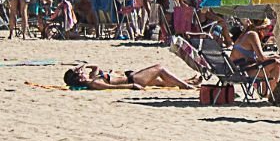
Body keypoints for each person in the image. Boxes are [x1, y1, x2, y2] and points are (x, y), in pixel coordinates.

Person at [231, 19, 280, 97]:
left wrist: (270, 57)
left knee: (268, 64)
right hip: (243, 72)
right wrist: (273, 57)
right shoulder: (253, 35)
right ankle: (271, 94)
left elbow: (254, 58)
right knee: (276, 64)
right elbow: (262, 58)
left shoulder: (245, 34)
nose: (269, 30)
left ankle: (265, 93)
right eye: (269, 27)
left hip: (237, 69)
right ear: (262, 28)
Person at [62, 63, 194, 90]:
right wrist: (132, 86)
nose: (82, 73)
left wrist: (84, 65)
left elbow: (96, 67)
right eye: (78, 73)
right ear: (78, 78)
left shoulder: (91, 78)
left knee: (162, 81)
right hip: (134, 80)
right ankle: (186, 86)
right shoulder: (93, 83)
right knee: (160, 68)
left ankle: (189, 82)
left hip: (134, 78)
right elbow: (111, 87)